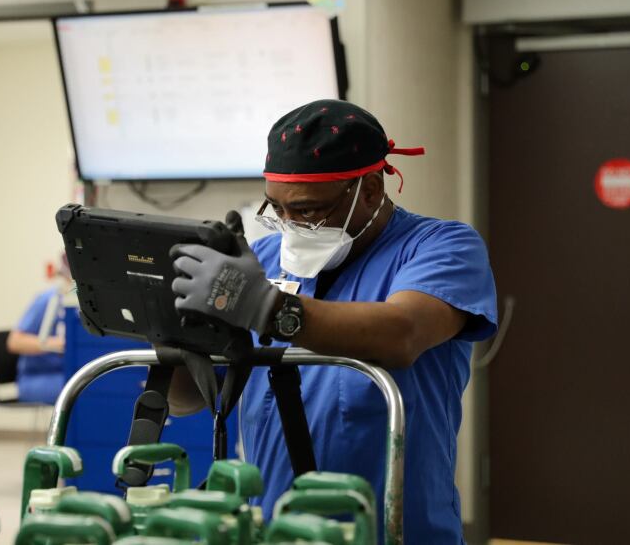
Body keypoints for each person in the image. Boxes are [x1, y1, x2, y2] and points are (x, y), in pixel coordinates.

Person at [169, 99, 497, 543]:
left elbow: (403, 334)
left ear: (371, 190)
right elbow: (186, 399)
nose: (289, 226)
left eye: (307, 210)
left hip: (393, 529)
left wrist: (267, 309)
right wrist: (173, 330)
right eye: (276, 210)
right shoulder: (262, 263)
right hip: (276, 530)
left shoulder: (442, 247)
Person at [6, 258, 71, 404]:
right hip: (38, 378)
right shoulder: (48, 300)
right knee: (81, 390)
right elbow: (14, 342)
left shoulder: (86, 305)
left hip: (68, 374)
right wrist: (57, 344)